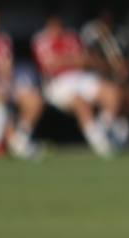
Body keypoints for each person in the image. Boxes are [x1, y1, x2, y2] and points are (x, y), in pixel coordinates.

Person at [31, 12, 121, 157]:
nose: (57, 28)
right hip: (58, 83)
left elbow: (85, 59)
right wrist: (73, 60)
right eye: (53, 25)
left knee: (112, 92)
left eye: (59, 24)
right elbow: (49, 65)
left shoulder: (71, 37)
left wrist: (69, 60)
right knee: (80, 102)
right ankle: (100, 144)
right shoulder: (41, 40)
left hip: (80, 77)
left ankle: (102, 129)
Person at [0, 9, 44, 159]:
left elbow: (6, 68)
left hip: (4, 84)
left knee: (34, 100)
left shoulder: (3, 40)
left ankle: (19, 140)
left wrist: (5, 79)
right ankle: (1, 144)